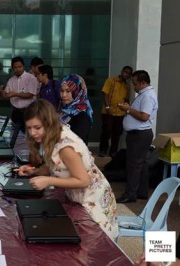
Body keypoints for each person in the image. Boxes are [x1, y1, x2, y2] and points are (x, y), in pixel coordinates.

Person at [18, 99, 118, 240]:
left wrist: (48, 180)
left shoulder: (66, 148)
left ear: (49, 123)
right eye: (29, 128)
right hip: (79, 199)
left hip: (92, 204)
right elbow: (55, 163)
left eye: (37, 127)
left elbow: (83, 181)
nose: (33, 133)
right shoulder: (52, 135)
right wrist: (35, 171)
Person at [116, 70, 158, 203]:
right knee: (141, 164)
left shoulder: (148, 96)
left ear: (143, 82)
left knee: (134, 165)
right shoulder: (143, 94)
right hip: (138, 134)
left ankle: (130, 194)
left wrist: (128, 109)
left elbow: (144, 116)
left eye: (135, 83)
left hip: (140, 135)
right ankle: (141, 192)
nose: (133, 86)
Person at [99, 66, 133, 157]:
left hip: (120, 113)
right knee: (107, 131)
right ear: (122, 71)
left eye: (129, 74)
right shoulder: (111, 80)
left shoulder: (127, 86)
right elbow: (104, 93)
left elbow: (126, 99)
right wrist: (107, 107)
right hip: (108, 112)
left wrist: (128, 109)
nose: (127, 74)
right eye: (126, 72)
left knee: (117, 132)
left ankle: (113, 151)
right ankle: (103, 149)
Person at [1, 56, 38, 132]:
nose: (17, 69)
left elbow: (30, 95)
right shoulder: (11, 80)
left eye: (19, 67)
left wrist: (15, 94)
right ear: (12, 68)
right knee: (15, 136)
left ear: (23, 66)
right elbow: (6, 96)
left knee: (30, 135)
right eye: (15, 67)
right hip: (15, 112)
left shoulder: (31, 78)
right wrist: (1, 91)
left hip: (29, 112)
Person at [59, 74, 93, 144]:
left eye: (68, 91)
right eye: (62, 91)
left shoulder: (82, 115)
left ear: (78, 92)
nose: (64, 95)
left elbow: (77, 142)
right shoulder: (63, 109)